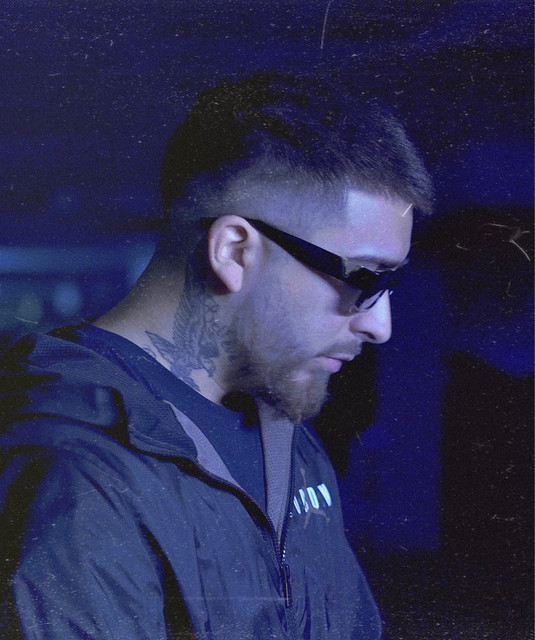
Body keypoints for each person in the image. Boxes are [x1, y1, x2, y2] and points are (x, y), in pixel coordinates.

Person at [0, 71, 433, 639]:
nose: (380, 326)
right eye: (364, 279)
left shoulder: (284, 434)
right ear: (233, 251)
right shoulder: (77, 470)